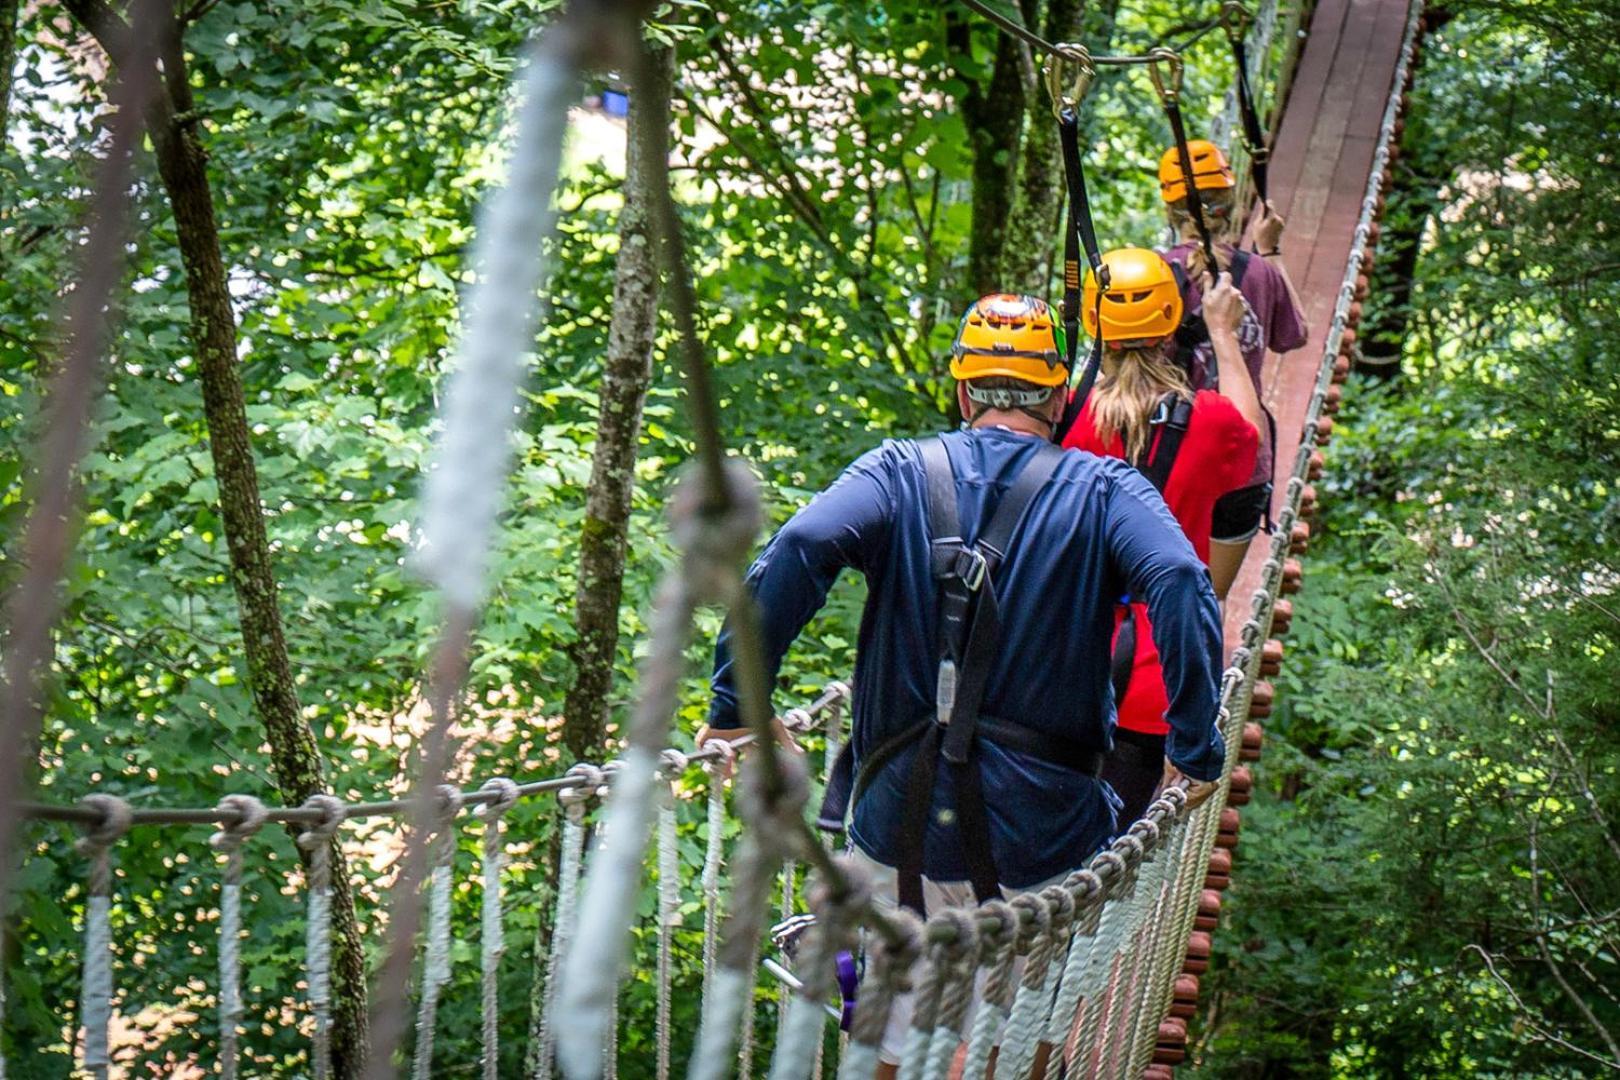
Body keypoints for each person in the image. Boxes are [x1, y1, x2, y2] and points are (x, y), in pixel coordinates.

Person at [699, 293, 1226, 1073]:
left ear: (962, 391)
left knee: (880, 1036)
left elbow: (805, 542)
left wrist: (738, 705)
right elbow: (1182, 580)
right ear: (1057, 396)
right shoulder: (1108, 490)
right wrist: (1195, 748)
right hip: (1045, 836)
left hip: (895, 822)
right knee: (1025, 1044)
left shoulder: (896, 472)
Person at [1063, 247, 1260, 825]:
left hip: (1065, 656)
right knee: (1116, 853)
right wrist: (1223, 334)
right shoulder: (1211, 421)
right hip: (1162, 676)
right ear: (1174, 320)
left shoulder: (1066, 417)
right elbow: (1253, 440)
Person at [1158, 138, 1310, 543]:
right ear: (1231, 202)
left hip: (1172, 455)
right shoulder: (1261, 274)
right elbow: (1294, 335)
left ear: (1171, 210)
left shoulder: (1152, 275)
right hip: (1242, 459)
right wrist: (1269, 251)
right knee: (1214, 597)